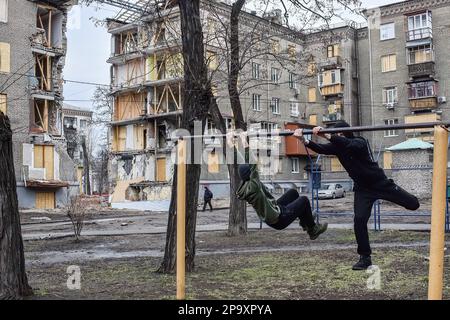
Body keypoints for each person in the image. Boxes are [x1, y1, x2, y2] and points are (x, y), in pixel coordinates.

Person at [294, 121, 420, 270]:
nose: (338, 137)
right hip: (363, 190)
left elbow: (349, 145)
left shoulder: (359, 142)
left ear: (347, 133)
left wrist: (327, 135)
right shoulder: (338, 148)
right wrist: (303, 140)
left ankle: (419, 202)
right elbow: (320, 148)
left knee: (413, 204)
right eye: (336, 134)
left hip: (380, 183)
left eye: (340, 134)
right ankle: (365, 258)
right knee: (359, 220)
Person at [227, 131, 328, 239]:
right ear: (251, 174)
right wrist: (244, 141)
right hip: (279, 219)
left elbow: (240, 162)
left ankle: (305, 221)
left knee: (293, 193)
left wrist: (230, 143)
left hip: (273, 209)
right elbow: (252, 164)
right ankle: (313, 230)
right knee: (304, 200)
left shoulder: (246, 183)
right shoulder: (254, 186)